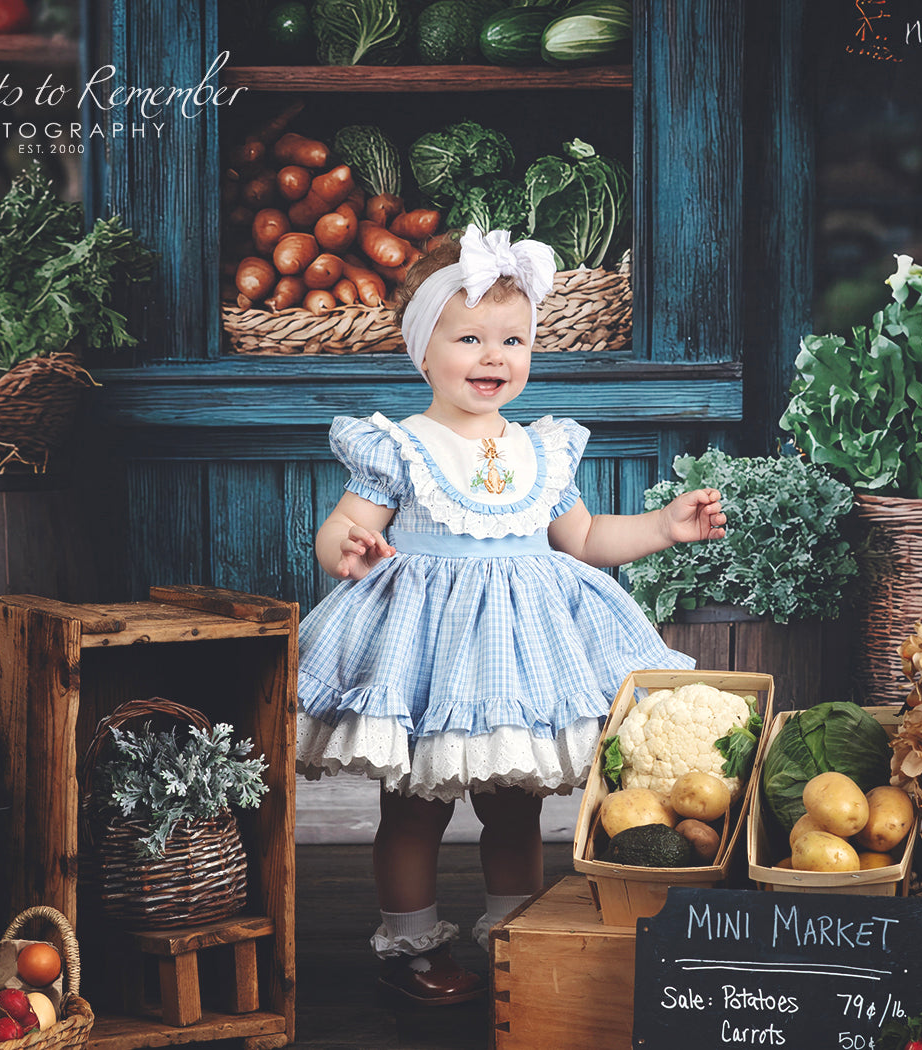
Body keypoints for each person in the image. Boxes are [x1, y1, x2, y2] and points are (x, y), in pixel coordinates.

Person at [296, 224, 727, 1006]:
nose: (493, 357)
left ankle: (512, 932)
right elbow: (341, 523)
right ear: (422, 350)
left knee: (515, 810)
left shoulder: (542, 450)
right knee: (413, 807)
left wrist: (664, 526)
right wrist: (347, 548)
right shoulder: (400, 446)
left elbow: (586, 538)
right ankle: (410, 944)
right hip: (428, 655)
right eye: (468, 338)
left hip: (520, 662)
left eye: (513, 340)